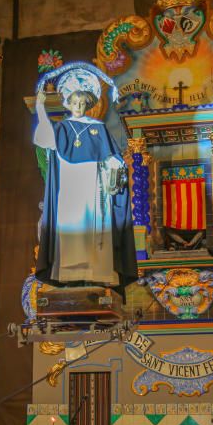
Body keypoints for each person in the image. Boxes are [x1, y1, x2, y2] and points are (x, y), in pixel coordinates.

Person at [33, 63, 137, 292]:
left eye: (83, 102)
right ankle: (69, 275)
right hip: (69, 186)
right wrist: (41, 109)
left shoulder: (98, 129)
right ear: (67, 103)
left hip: (94, 186)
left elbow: (113, 158)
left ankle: (96, 273)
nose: (79, 106)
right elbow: (45, 139)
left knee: (95, 227)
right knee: (70, 227)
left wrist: (114, 169)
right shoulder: (61, 129)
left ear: (89, 103)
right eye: (74, 102)